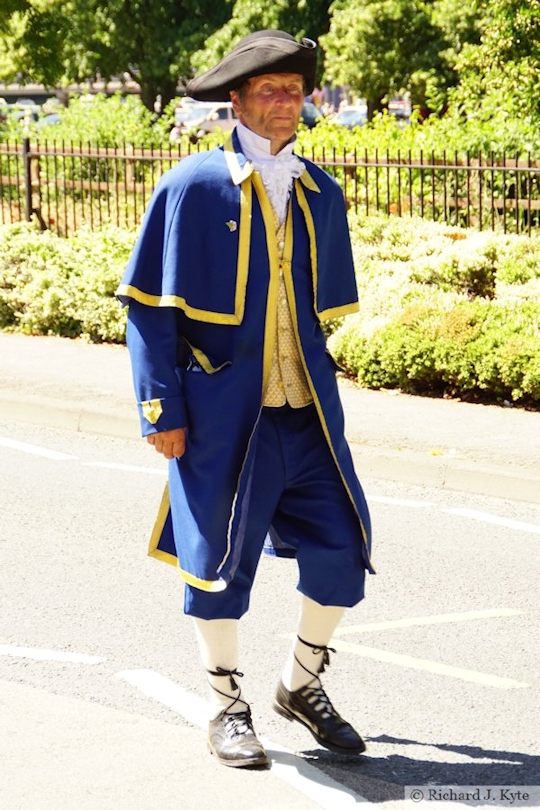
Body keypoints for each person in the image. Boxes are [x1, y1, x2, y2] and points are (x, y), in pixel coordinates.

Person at [117, 29, 375, 769]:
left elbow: (316, 309)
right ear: (236, 101)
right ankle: (227, 706)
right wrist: (159, 410)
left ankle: (300, 685)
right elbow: (149, 311)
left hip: (307, 413)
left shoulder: (321, 191)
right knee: (219, 565)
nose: (285, 102)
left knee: (344, 550)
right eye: (269, 90)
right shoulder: (191, 186)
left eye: (295, 90)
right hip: (227, 418)